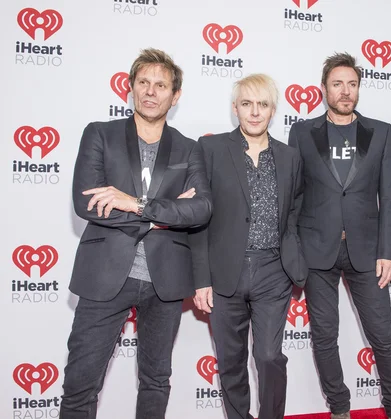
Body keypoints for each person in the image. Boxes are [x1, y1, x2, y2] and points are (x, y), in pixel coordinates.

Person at [60, 48, 212, 419]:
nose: (151, 91)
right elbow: (87, 203)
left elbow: (202, 209)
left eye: (161, 85)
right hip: (105, 275)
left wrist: (134, 204)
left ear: (175, 96)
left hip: (166, 281)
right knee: (81, 382)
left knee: (156, 380)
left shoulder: (190, 149)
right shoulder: (100, 133)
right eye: (143, 82)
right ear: (130, 88)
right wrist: (165, 213)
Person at [288, 53, 391, 419]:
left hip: (368, 251)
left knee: (382, 336)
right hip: (317, 250)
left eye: (352, 84)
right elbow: (293, 195)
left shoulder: (381, 131)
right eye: (337, 84)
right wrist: (292, 249)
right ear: (324, 88)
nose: (345, 91)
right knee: (325, 337)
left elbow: (389, 195)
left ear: (359, 88)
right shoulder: (302, 132)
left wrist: (390, 251)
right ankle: (339, 408)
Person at [191, 74, 307, 419]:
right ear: (234, 109)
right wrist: (201, 278)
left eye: (262, 105)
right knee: (230, 361)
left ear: (273, 110)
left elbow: (296, 213)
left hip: (274, 270)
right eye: (246, 104)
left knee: (269, 357)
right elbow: (197, 217)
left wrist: (295, 261)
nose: (254, 113)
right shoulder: (210, 149)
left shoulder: (290, 157)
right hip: (224, 270)